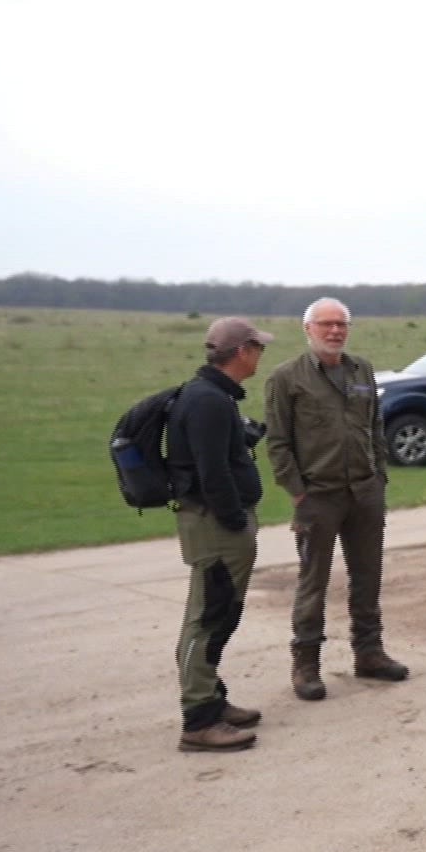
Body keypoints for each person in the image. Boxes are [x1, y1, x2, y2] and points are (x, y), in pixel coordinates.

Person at [264, 297, 409, 701]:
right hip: (318, 496)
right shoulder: (286, 377)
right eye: (326, 324)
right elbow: (278, 442)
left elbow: (375, 425)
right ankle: (306, 665)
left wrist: (379, 476)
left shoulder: (360, 369)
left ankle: (369, 653)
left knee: (368, 576)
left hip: (364, 492)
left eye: (341, 324)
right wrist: (296, 491)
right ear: (307, 329)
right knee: (313, 581)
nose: (335, 331)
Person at [167, 316, 274, 752]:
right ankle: (198, 721)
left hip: (217, 523)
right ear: (242, 351)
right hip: (215, 526)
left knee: (218, 614)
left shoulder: (213, 396)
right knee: (207, 619)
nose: (261, 355)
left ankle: (212, 698)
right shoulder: (208, 400)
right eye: (258, 347)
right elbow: (211, 473)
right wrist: (234, 519)